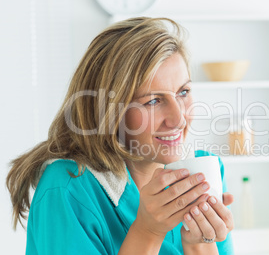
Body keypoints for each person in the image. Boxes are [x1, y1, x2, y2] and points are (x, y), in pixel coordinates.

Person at [6, 17, 234, 254]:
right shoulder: (68, 188)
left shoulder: (204, 170)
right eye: (153, 101)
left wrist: (198, 243)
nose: (178, 119)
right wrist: (148, 232)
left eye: (183, 92)